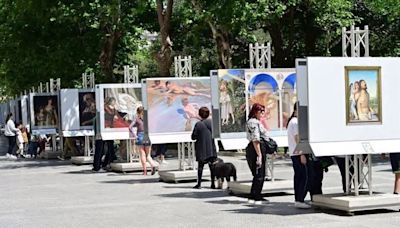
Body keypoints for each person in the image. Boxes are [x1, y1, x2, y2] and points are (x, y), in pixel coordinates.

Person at [287, 103, 311, 209]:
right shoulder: (295, 122)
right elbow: (297, 138)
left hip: (294, 153)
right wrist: (302, 154)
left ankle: (298, 199)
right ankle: (300, 198)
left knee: (298, 177)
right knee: (303, 177)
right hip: (297, 153)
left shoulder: (292, 121)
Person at [245, 103, 268, 204]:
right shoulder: (254, 122)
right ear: (255, 111)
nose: (262, 113)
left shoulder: (254, 122)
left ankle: (253, 195)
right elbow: (256, 139)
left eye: (263, 111)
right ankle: (256, 196)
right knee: (259, 173)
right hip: (256, 148)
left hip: (255, 147)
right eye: (260, 111)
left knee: (258, 173)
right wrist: (259, 154)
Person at [191, 107, 217, 189]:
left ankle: (199, 184)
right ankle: (213, 183)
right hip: (211, 148)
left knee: (200, 167)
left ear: (199, 114)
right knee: (212, 167)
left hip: (201, 149)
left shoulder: (198, 124)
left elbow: (193, 137)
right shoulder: (212, 123)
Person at [130, 107, 158, 175]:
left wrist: (134, 135)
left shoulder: (137, 119)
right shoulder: (147, 119)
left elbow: (130, 127)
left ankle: (145, 171)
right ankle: (153, 165)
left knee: (142, 154)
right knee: (148, 155)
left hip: (140, 136)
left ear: (137, 113)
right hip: (146, 136)